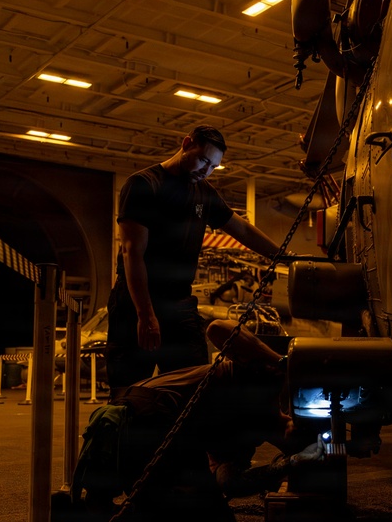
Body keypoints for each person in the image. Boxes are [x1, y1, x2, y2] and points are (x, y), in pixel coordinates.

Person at [53, 319, 324, 522]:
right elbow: (217, 329)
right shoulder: (265, 377)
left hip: (124, 428)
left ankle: (77, 515)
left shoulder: (243, 438)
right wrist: (283, 363)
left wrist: (289, 464)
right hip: (145, 421)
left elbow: (227, 482)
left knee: (180, 509)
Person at [105, 125, 281, 400]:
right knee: (128, 392)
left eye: (213, 166)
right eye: (203, 160)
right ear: (187, 143)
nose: (206, 170)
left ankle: (185, 443)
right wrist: (145, 314)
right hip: (135, 305)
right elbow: (132, 253)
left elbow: (242, 229)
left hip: (180, 306)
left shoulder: (204, 192)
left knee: (194, 390)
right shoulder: (144, 184)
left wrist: (284, 257)